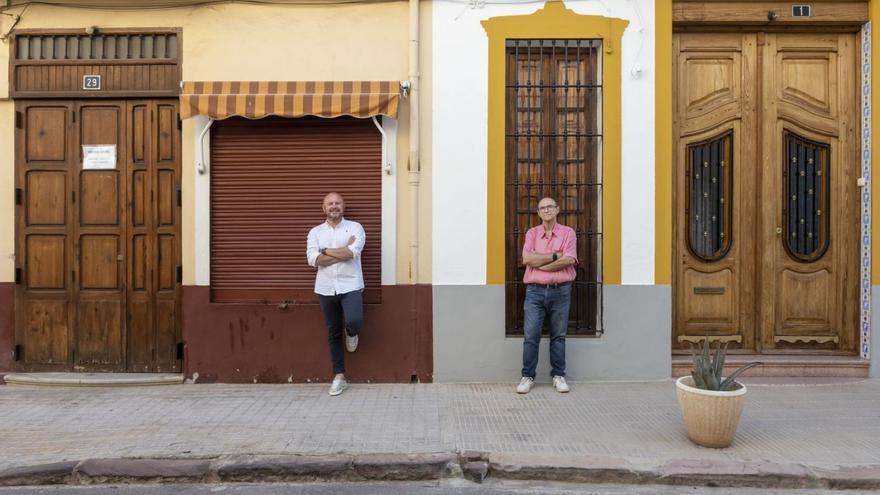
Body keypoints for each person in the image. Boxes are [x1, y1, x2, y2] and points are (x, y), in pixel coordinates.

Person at [306, 192, 366, 396]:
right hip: (325, 288)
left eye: (337, 203)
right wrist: (341, 250)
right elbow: (313, 260)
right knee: (333, 332)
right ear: (323, 208)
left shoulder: (355, 227)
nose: (334, 206)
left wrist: (325, 251)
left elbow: (353, 253)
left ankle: (352, 332)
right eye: (330, 203)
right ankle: (339, 376)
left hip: (351, 285)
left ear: (343, 206)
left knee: (354, 320)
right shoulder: (315, 232)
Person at [517, 197, 578, 394]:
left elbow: (569, 259)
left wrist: (539, 263)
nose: (546, 210)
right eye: (542, 208)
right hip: (534, 291)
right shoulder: (532, 233)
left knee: (558, 336)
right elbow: (527, 259)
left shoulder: (568, 233)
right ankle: (527, 376)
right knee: (531, 335)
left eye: (550, 206)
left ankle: (558, 375)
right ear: (538, 212)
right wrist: (554, 256)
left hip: (561, 291)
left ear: (557, 209)